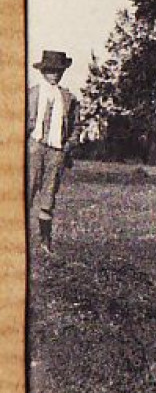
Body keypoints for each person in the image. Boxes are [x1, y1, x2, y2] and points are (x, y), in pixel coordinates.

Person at [26, 49, 81, 255]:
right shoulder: (31, 94)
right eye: (50, 70)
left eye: (58, 71)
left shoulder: (68, 97)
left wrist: (69, 145)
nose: (55, 74)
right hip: (34, 148)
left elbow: (76, 125)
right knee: (27, 192)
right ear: (43, 71)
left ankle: (45, 244)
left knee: (48, 196)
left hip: (57, 151)